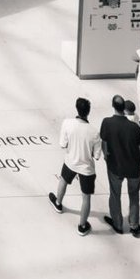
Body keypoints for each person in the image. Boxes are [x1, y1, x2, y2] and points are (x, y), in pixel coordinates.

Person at [48, 96, 101, 232]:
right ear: (88, 111)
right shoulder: (94, 132)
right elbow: (97, 155)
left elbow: (62, 144)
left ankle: (58, 203)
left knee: (63, 180)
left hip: (70, 162)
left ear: (77, 108)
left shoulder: (67, 123)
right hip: (86, 168)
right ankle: (82, 226)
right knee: (86, 197)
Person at [98, 94, 140, 235]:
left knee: (115, 194)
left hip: (115, 167)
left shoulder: (106, 123)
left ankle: (117, 224)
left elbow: (104, 145)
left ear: (113, 106)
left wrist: (106, 158)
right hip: (133, 168)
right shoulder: (134, 127)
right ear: (124, 108)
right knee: (134, 196)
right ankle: (134, 225)